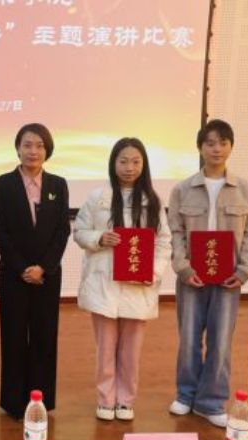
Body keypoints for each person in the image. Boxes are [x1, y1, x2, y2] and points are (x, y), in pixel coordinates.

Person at [167, 119, 248, 427]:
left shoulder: (246, 190)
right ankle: (186, 395)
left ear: (231, 147)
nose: (216, 149)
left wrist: (244, 271)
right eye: (209, 143)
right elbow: (176, 232)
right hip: (191, 276)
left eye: (222, 143)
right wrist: (183, 268)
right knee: (189, 339)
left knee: (220, 341)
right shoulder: (182, 189)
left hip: (228, 279)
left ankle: (212, 401)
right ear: (200, 148)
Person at [74, 137, 171, 421]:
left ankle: (126, 401)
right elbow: (79, 231)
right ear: (113, 163)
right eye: (123, 161)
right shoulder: (97, 197)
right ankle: (106, 399)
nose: (129, 167)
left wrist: (154, 272)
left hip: (138, 286)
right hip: (104, 285)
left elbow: (163, 242)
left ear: (144, 165)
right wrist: (99, 238)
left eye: (136, 161)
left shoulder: (153, 201)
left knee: (131, 351)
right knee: (105, 348)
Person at [0, 123, 70, 419]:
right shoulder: (3, 184)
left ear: (47, 150)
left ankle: (41, 400)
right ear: (17, 148)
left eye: (39, 145)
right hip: (14, 275)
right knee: (13, 337)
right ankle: (13, 402)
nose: (33, 151)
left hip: (47, 276)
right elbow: (0, 230)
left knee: (44, 337)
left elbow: (62, 231)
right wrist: (23, 267)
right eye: (27, 145)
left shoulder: (58, 185)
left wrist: (43, 267)